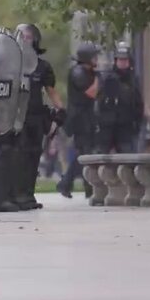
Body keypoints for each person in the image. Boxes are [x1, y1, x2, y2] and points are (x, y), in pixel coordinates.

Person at [12, 23, 64, 211]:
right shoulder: (9, 63)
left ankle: (28, 194)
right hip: (15, 116)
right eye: (22, 36)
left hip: (35, 116)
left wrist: (61, 110)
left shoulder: (42, 66)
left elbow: (51, 91)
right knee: (19, 155)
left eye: (29, 36)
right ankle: (16, 195)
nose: (26, 39)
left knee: (34, 155)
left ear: (35, 39)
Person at [57, 42, 100, 198]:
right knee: (84, 154)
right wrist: (99, 78)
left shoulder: (88, 72)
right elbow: (91, 93)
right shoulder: (78, 72)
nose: (97, 60)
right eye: (94, 56)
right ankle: (71, 185)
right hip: (79, 120)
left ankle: (68, 184)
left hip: (87, 119)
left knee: (83, 154)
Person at [95, 42, 143, 155]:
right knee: (102, 157)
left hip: (125, 127)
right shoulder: (108, 79)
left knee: (128, 158)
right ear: (116, 61)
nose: (122, 63)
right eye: (120, 60)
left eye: (125, 60)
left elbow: (138, 103)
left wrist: (137, 123)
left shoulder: (132, 81)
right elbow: (100, 101)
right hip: (107, 127)